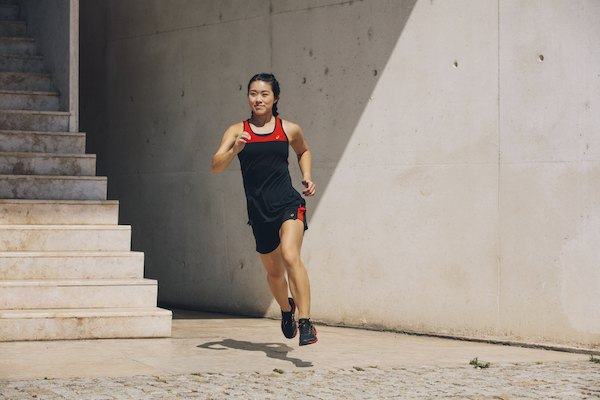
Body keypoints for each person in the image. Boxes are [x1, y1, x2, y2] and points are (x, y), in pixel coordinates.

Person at [211, 73, 318, 346]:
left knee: (291, 255)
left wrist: (307, 176)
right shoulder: (237, 130)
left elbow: (303, 151)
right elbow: (216, 166)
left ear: (275, 98)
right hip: (259, 212)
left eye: (264, 94)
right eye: (253, 93)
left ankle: (306, 322)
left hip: (288, 203)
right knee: (274, 273)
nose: (258, 99)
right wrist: (234, 150)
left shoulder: (289, 129)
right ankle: (286, 309)